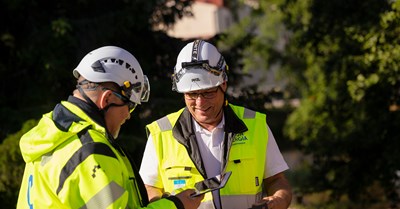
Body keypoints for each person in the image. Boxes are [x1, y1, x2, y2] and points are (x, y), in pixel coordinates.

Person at [16, 46, 203, 209]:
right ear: (107, 99)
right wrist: (177, 205)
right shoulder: (91, 152)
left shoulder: (53, 136)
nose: (129, 115)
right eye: (129, 105)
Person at [139, 40, 292, 209]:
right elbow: (149, 189)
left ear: (223, 84)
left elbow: (277, 181)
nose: (200, 102)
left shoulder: (255, 125)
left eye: (208, 93)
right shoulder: (161, 133)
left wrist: (279, 200)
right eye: (192, 94)